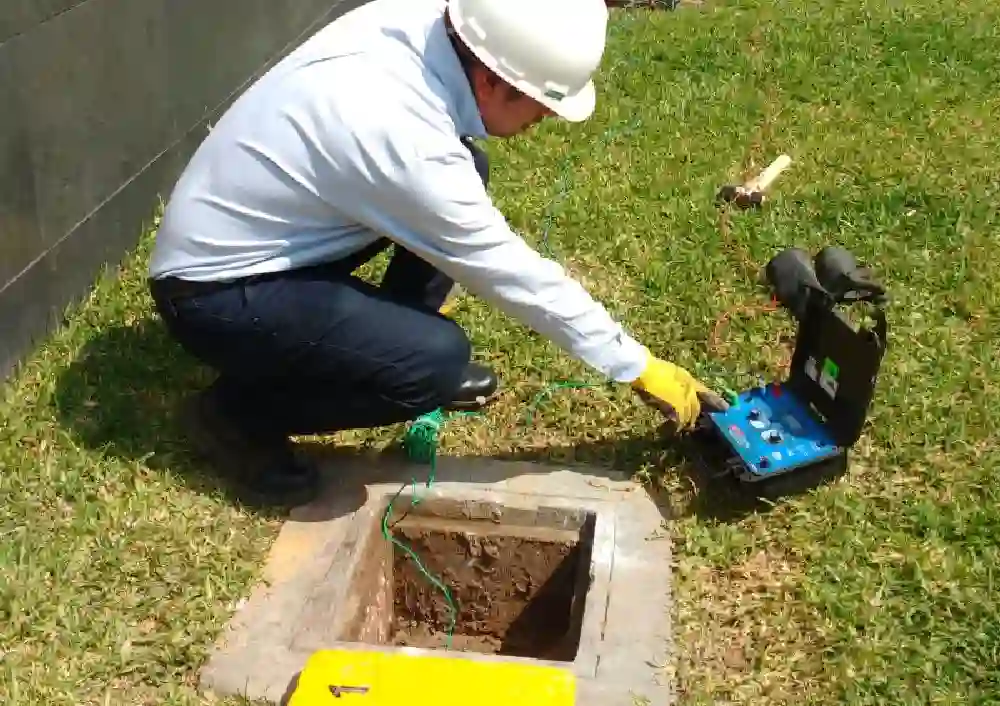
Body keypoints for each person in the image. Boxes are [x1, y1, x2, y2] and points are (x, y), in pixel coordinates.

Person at [147, 0, 727, 505]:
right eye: (542, 102)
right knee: (433, 364)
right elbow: (510, 272)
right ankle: (236, 415)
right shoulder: (403, 140)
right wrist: (638, 367)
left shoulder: (429, 23)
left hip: (267, 237)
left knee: (468, 166)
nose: (548, 117)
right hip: (212, 294)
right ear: (493, 81)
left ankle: (385, 347)